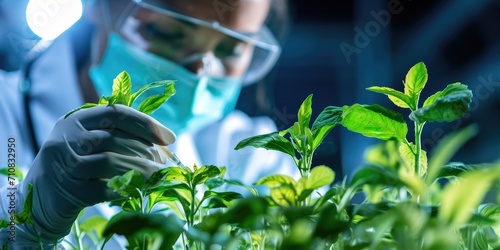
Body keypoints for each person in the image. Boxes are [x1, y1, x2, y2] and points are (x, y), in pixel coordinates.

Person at [0, 0, 298, 248]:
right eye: (166, 32)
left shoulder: (252, 158)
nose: (199, 72)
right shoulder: (6, 114)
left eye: (230, 50)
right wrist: (24, 220)